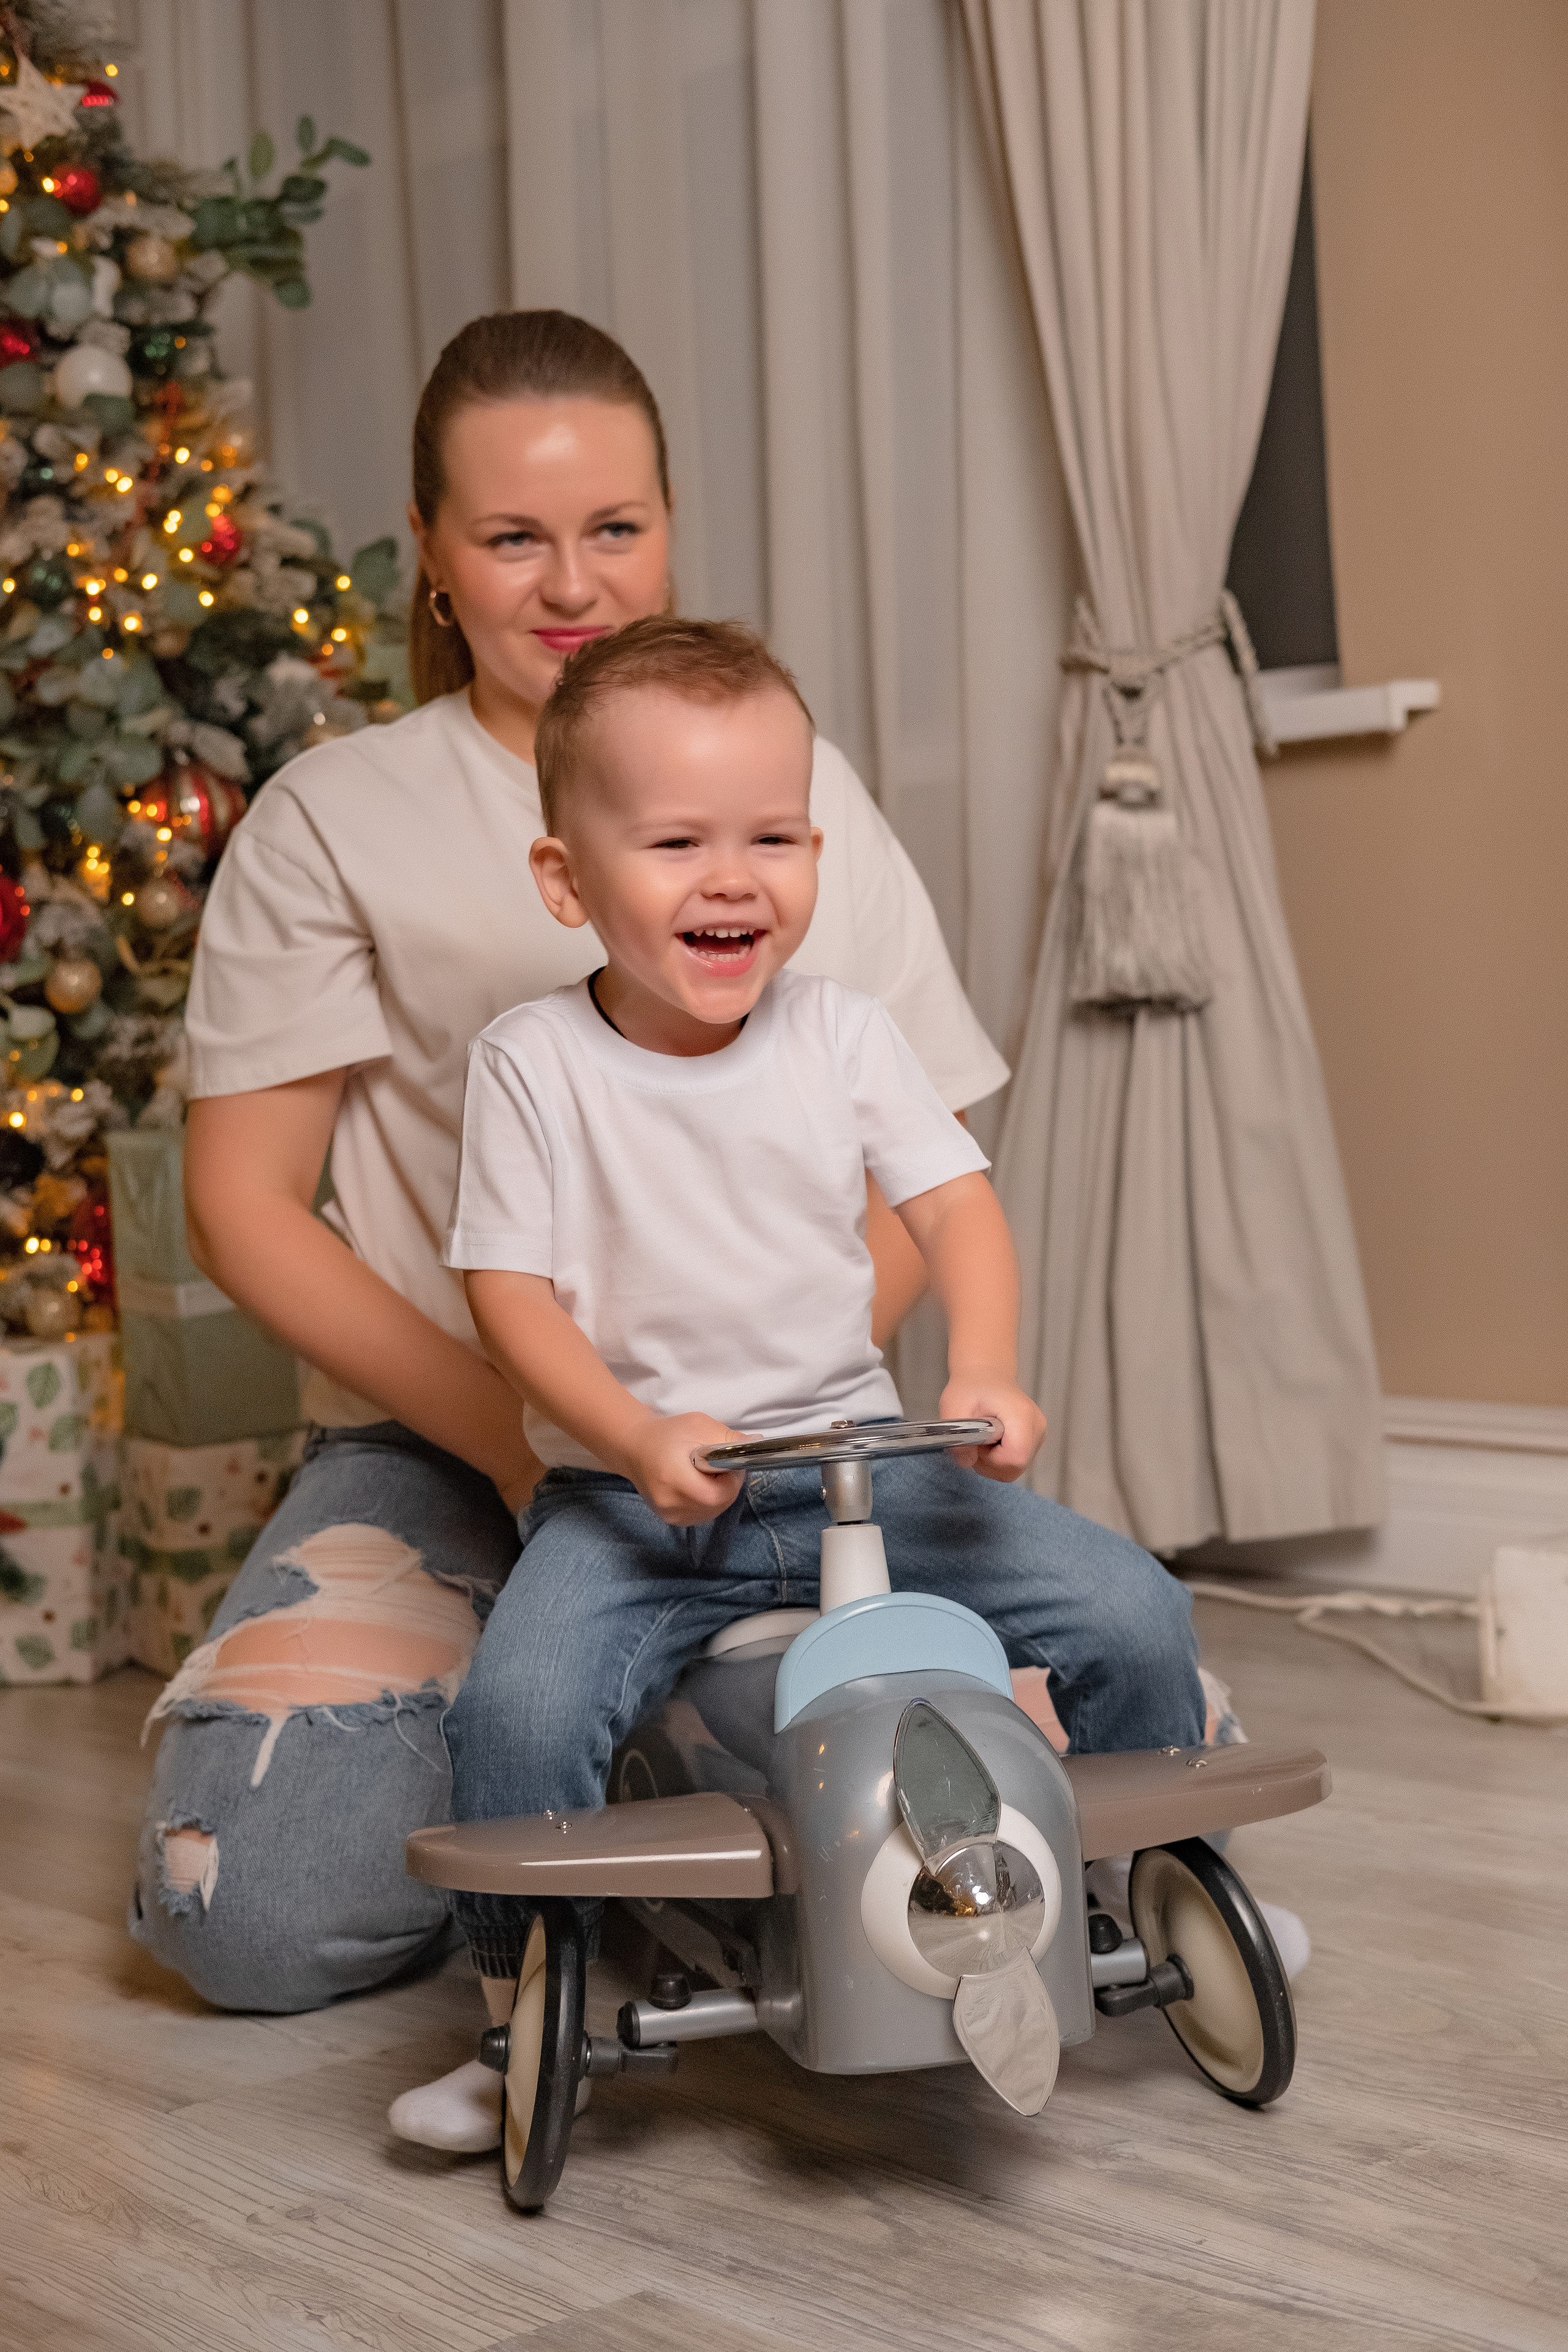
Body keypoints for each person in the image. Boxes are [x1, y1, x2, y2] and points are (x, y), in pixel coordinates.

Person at [129, 311, 1009, 2020]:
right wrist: (538, 1444)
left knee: (1048, 1784)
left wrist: (769, 1428)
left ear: (669, 523)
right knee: (247, 1911)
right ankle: (572, 1768)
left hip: (769, 1451)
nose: (571, 582)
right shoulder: (333, 816)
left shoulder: (797, 785)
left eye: (615, 526)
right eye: (511, 537)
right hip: (447, 1439)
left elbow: (932, 1156)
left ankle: (633, 1756)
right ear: (431, 553)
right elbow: (244, 1208)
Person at [435, 615, 1205, 2052]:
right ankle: (516, 2013)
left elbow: (955, 1207)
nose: (732, 877)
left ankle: (1152, 1891)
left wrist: (983, 1367)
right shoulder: (530, 1064)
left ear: (813, 853)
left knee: (1132, 1614)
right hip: (636, 1501)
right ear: (565, 879)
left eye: (771, 839)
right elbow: (508, 1297)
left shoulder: (842, 1033)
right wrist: (632, 1435)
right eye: (675, 843)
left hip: (865, 1464)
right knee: (518, 1711)